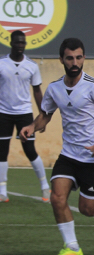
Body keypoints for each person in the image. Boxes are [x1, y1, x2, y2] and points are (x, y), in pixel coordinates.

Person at [19, 38, 94, 255]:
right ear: (61, 60)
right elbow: (45, 116)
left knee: (88, 209)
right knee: (57, 197)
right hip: (69, 154)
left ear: (83, 58)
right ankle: (72, 247)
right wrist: (31, 126)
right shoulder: (54, 88)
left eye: (79, 57)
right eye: (70, 58)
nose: (75, 62)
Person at [0, 30, 49, 202]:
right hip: (3, 113)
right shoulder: (1, 63)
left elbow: (37, 91)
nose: (20, 46)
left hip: (24, 113)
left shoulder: (32, 66)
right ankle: (2, 191)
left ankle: (45, 188)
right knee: (2, 151)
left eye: (23, 43)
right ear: (11, 43)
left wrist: (43, 115)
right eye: (17, 42)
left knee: (30, 150)